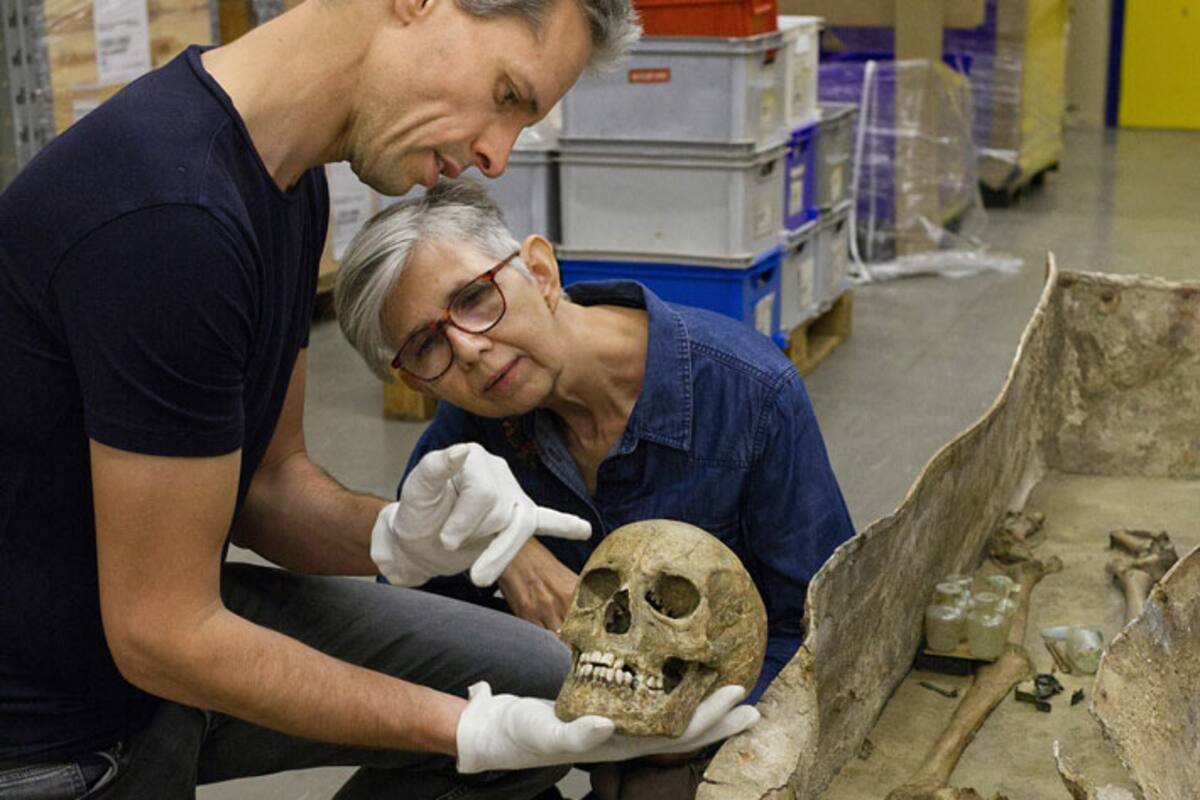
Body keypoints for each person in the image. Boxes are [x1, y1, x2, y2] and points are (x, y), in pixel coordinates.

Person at [0, 0, 759, 796]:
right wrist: (467, 732)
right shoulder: (171, 219)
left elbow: (268, 485)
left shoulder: (286, 188)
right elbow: (162, 635)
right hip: (58, 724)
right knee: (500, 726)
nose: (497, 156)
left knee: (543, 681)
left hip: (137, 627)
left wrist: (403, 536)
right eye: (507, 95)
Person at [335, 179, 857, 798]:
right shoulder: (471, 426)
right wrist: (493, 548)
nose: (470, 349)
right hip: (550, 721)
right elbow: (409, 622)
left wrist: (679, 744)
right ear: (418, 381)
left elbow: (820, 623)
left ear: (540, 270)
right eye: (427, 345)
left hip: (703, 719)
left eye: (475, 299)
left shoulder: (749, 395)